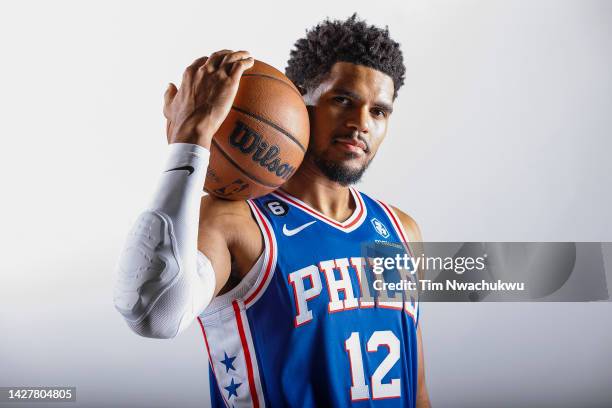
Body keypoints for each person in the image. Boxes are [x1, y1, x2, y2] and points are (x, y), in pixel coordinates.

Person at [114, 14, 431, 408]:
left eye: (379, 112)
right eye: (342, 100)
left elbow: (416, 392)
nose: (361, 124)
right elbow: (152, 313)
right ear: (299, 103)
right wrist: (191, 138)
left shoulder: (401, 230)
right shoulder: (233, 221)